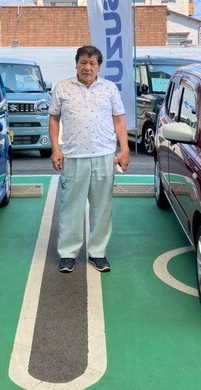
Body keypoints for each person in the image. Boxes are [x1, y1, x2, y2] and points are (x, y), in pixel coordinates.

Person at [49, 45, 130, 274]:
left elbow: (119, 120)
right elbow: (54, 119)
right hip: (73, 156)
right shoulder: (62, 87)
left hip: (104, 155)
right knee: (70, 207)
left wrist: (124, 149)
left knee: (102, 208)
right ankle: (68, 254)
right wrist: (56, 149)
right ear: (76, 64)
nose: (87, 67)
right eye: (83, 62)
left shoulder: (109, 88)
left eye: (92, 63)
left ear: (99, 67)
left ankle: (97, 252)